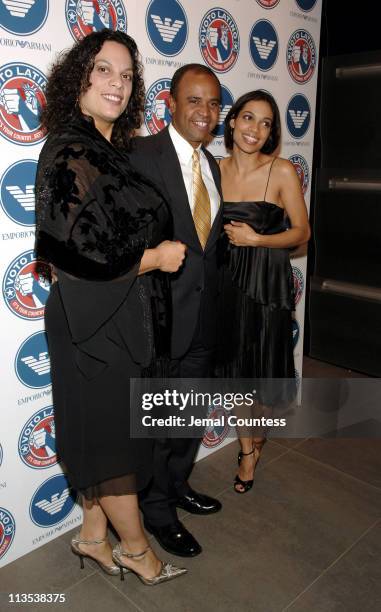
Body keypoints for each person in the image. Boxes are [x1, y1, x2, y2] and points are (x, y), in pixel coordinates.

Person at [35, 29, 188, 585]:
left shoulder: (104, 149)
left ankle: (93, 537)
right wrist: (153, 258)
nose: (117, 84)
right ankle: (138, 553)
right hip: (91, 318)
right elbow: (72, 251)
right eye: (104, 70)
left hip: (118, 313)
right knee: (116, 444)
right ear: (79, 77)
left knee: (107, 436)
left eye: (126, 76)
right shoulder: (71, 149)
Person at [129, 64, 223, 557]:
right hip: (160, 324)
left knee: (189, 420)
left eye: (213, 104)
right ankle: (158, 511)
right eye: (195, 101)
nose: (205, 113)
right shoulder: (141, 154)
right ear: (170, 101)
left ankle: (178, 486)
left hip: (204, 319)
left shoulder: (215, 165)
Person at [216, 90, 310, 493]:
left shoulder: (282, 171)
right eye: (249, 118)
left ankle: (255, 437)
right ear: (233, 120)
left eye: (266, 123)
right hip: (226, 282)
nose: (255, 129)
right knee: (238, 371)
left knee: (262, 372)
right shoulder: (213, 168)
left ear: (272, 133)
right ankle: (247, 450)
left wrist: (257, 240)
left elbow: (302, 233)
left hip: (267, 284)